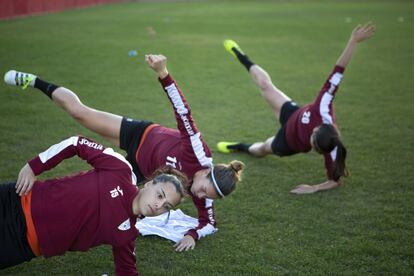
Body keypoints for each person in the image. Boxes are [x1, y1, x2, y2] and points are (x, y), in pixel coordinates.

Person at [4, 54, 245, 252]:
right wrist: (163, 73)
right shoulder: (198, 151)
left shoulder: (205, 196)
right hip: (142, 136)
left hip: (142, 173)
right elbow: (183, 113)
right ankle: (35, 81)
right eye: (203, 187)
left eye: (206, 196)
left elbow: (209, 223)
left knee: (95, 193)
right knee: (80, 113)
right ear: (206, 171)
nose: (199, 194)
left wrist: (193, 234)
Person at [217, 23, 376, 194]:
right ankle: (239, 53)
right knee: (265, 84)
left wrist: (313, 188)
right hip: (293, 114)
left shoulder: (332, 148)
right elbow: (339, 71)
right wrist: (353, 41)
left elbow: (334, 181)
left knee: (262, 149)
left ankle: (239, 146)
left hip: (287, 142)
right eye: (312, 140)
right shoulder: (323, 106)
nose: (310, 145)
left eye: (313, 148)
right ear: (318, 128)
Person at [0, 135, 187, 274]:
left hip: (22, 244)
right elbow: (77, 143)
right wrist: (35, 166)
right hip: (17, 199)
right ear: (149, 184)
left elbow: (127, 270)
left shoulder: (126, 235)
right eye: (160, 195)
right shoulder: (121, 170)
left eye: (166, 206)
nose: (158, 205)